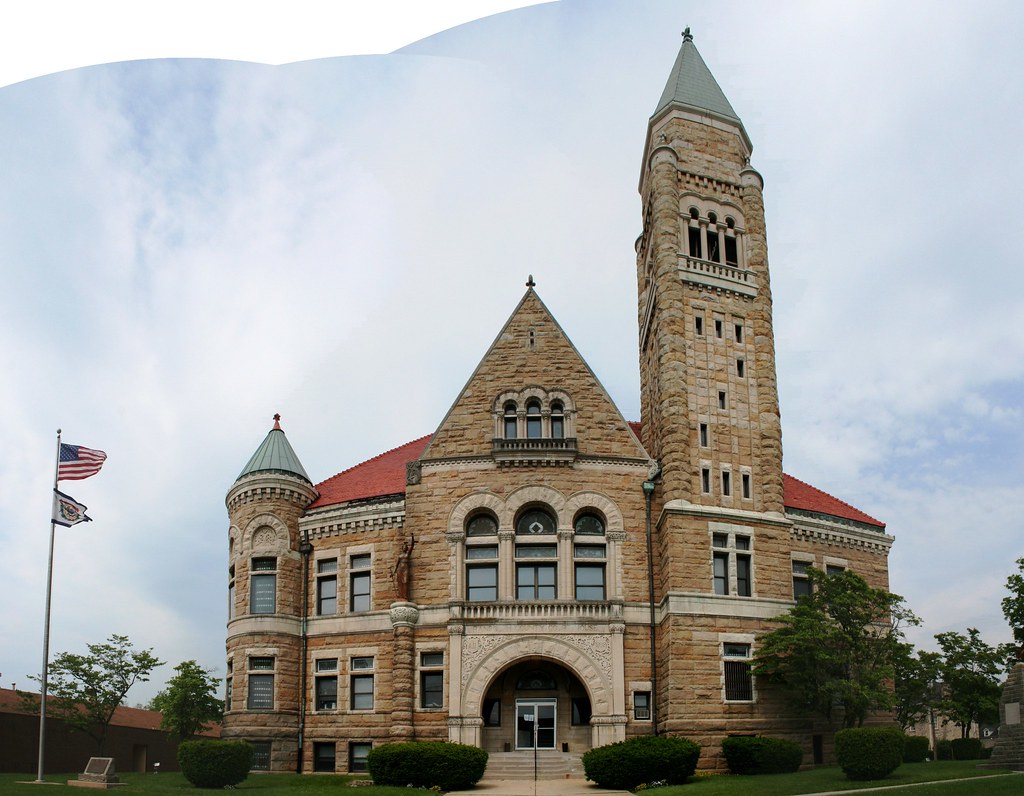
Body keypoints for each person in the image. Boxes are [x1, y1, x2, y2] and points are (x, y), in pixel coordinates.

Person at [393, 534, 416, 600]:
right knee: (400, 583)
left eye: (405, 547)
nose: (404, 548)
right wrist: (394, 572)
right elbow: (397, 565)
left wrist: (412, 537)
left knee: (405, 582)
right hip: (400, 569)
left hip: (405, 569)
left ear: (406, 548)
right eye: (403, 547)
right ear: (402, 548)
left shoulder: (407, 554)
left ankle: (405, 596)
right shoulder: (400, 556)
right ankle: (401, 596)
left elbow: (412, 545)